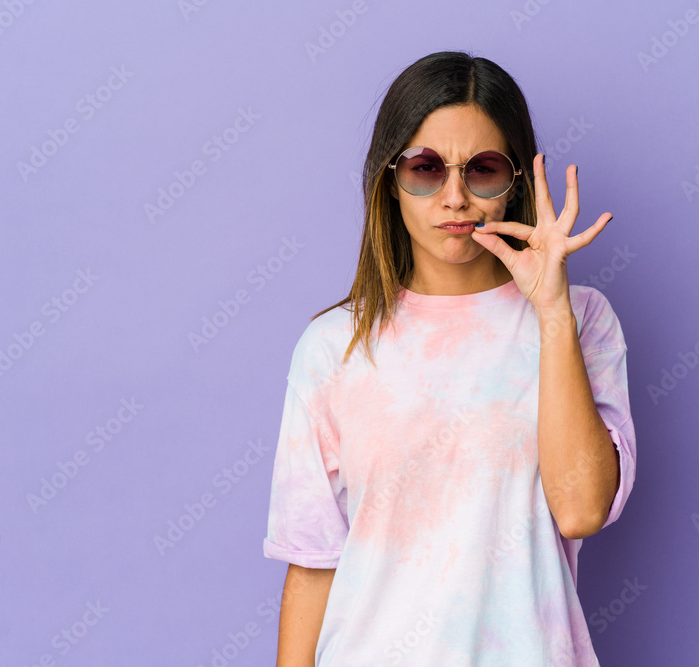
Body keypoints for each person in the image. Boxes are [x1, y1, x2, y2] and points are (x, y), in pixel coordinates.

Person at [262, 50, 636, 667]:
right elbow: (313, 565)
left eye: (483, 169)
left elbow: (581, 509)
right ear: (390, 179)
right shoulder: (334, 346)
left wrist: (551, 311)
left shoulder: (580, 319)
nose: (455, 197)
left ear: (516, 181)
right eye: (426, 168)